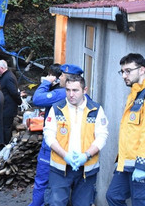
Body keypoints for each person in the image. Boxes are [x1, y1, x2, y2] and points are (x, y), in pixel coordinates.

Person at [43, 75, 108, 206]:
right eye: (68, 90)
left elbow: (102, 136)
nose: (71, 94)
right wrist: (65, 155)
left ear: (85, 90)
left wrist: (86, 155)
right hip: (60, 168)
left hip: (87, 169)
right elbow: (49, 135)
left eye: (75, 90)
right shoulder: (57, 108)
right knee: (56, 203)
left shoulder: (95, 110)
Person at [29, 63, 84, 206]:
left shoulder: (61, 93)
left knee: (43, 182)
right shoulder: (82, 96)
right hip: (69, 147)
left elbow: (37, 99)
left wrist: (46, 82)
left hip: (52, 147)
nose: (59, 78)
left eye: (62, 76)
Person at [106, 53, 145, 206]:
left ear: (142, 70)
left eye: (128, 71)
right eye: (122, 71)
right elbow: (130, 132)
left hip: (140, 164)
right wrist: (120, 161)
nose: (124, 75)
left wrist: (142, 166)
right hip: (127, 164)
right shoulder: (134, 94)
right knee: (113, 196)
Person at [0, 59, 22, 144]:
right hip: (5, 106)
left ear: (2, 68)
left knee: (6, 127)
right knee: (4, 126)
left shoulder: (8, 77)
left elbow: (14, 92)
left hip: (8, 107)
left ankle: (6, 144)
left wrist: (19, 101)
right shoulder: (4, 76)